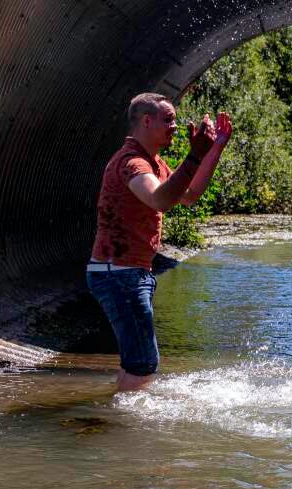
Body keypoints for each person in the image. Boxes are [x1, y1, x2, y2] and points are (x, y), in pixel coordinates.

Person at [86, 93, 232, 391]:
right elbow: (160, 200)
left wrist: (213, 149)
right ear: (146, 120)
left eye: (175, 120)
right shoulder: (131, 163)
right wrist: (193, 156)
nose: (175, 126)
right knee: (143, 364)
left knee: (137, 361)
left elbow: (188, 195)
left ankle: (109, 416)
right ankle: (120, 427)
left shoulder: (153, 162)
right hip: (118, 274)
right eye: (168, 119)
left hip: (131, 274)